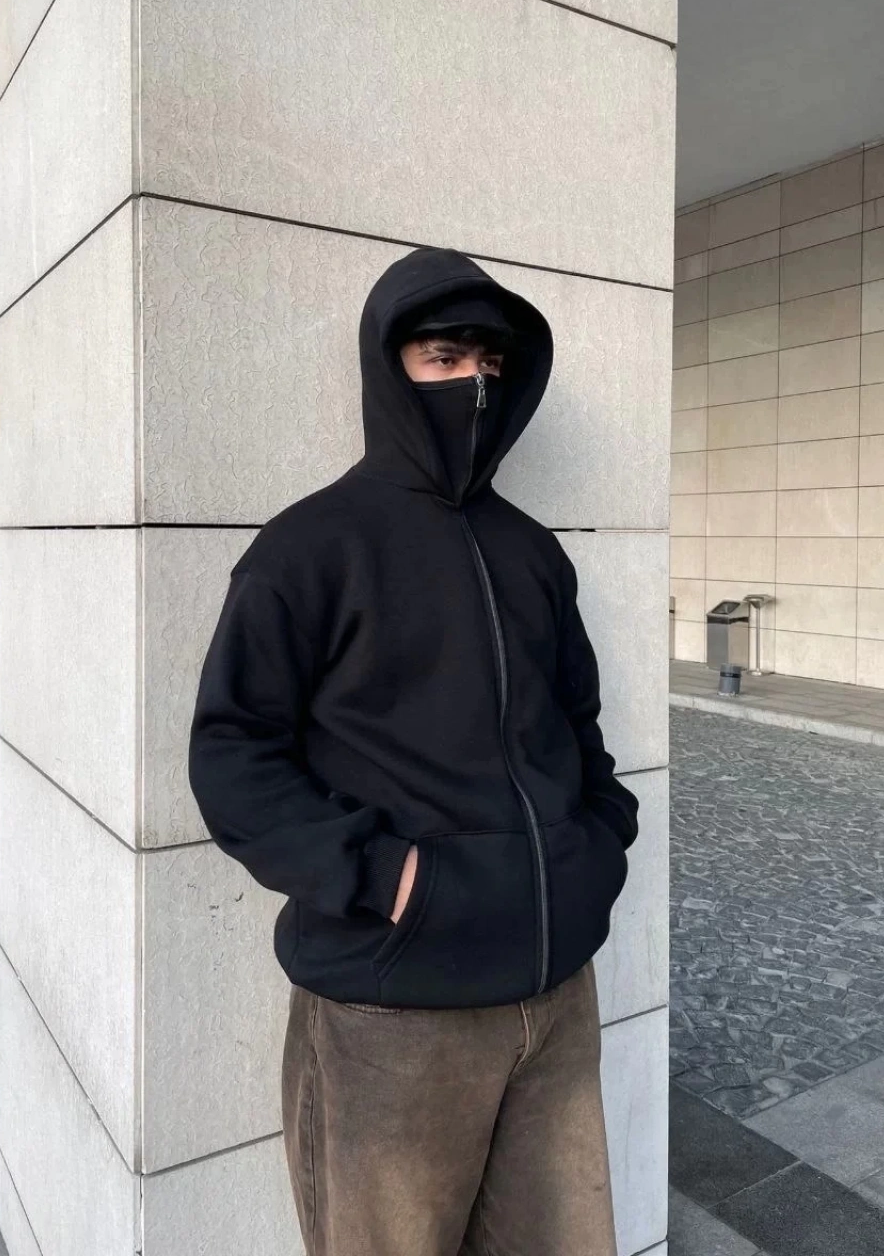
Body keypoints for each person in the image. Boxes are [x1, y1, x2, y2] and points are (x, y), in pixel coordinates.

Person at [188, 247, 639, 1256]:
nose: (473, 382)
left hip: (555, 1004)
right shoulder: (310, 547)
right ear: (388, 367)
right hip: (393, 1016)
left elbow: (579, 727)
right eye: (443, 358)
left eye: (489, 361)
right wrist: (392, 881)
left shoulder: (533, 552)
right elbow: (233, 755)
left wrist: (595, 848)